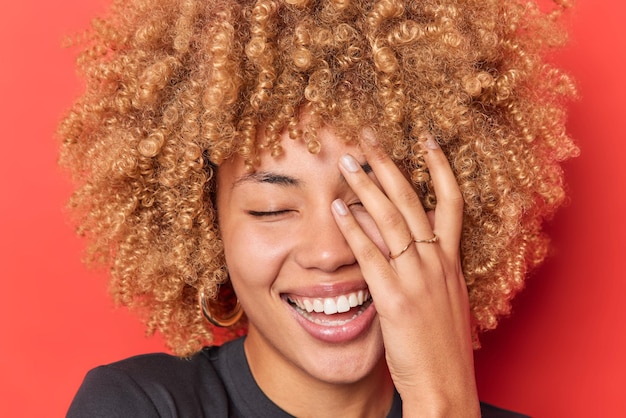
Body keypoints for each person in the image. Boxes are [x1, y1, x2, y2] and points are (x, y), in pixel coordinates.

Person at [59, 0, 578, 416]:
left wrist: (442, 406)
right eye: (271, 208)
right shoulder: (138, 405)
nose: (329, 253)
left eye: (371, 200)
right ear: (207, 230)